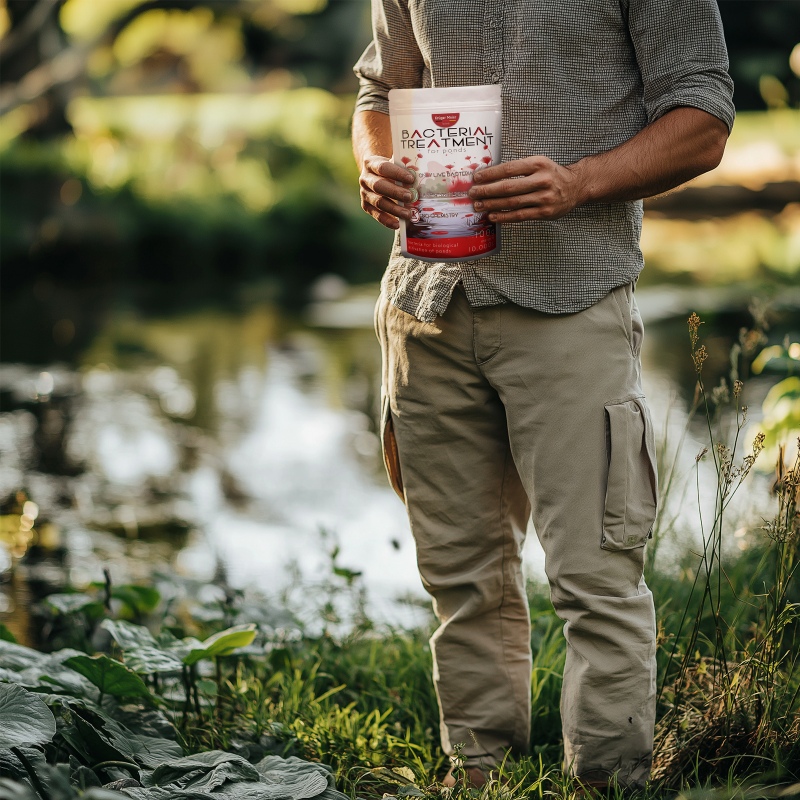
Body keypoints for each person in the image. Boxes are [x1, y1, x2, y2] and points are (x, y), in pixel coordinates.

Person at [352, 0, 734, 792]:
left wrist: (580, 182)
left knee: (595, 580)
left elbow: (702, 116)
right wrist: (375, 166)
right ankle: (480, 775)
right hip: (425, 302)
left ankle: (607, 783)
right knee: (462, 580)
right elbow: (381, 91)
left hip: (570, 300)